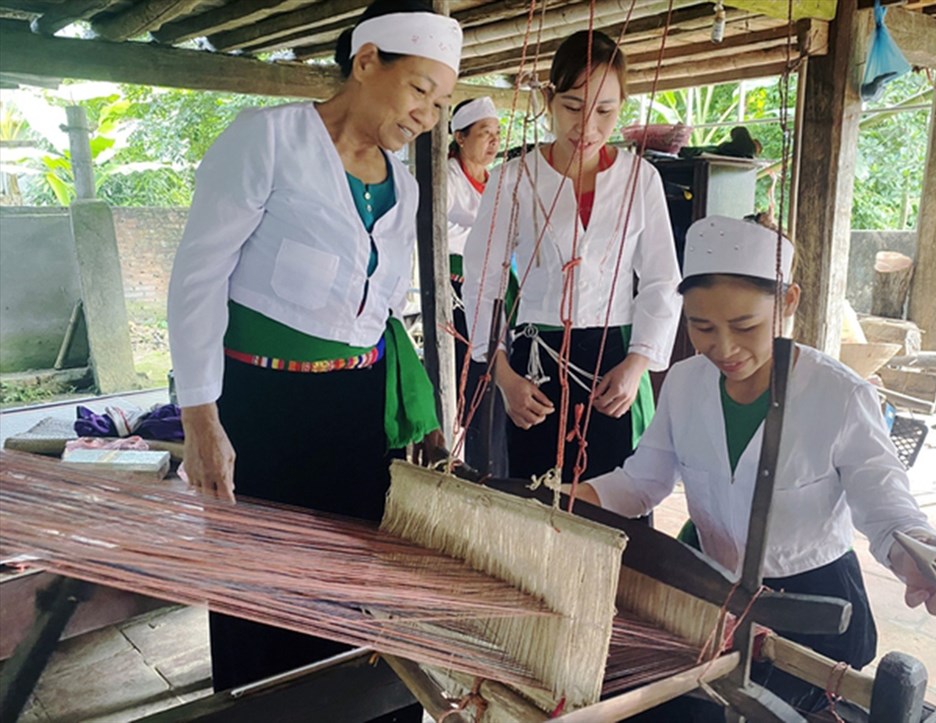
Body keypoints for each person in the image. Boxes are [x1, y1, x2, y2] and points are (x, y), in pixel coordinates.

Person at [575, 215, 936, 716]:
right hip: (716, 597)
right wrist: (561, 502)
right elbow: (641, 482)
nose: (722, 348)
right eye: (701, 326)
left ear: (788, 303)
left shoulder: (839, 395)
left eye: (745, 326)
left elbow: (888, 510)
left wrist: (919, 557)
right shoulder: (684, 385)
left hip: (815, 611)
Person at [166, 0, 460, 704]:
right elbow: (197, 280)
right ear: (366, 62)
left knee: (354, 584)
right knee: (262, 586)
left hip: (355, 408)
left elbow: (381, 310)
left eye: (441, 102)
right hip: (263, 407)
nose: (427, 114)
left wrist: (409, 414)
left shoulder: (407, 184)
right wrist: (201, 421)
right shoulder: (267, 141)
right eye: (420, 89)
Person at [463, 30, 682, 485]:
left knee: (611, 493)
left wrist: (637, 365)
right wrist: (502, 375)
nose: (589, 126)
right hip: (534, 357)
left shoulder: (640, 180)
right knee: (534, 490)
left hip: (614, 360)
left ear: (623, 104)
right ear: (549, 98)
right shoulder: (513, 179)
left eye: (605, 111)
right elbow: (483, 279)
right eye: (573, 107)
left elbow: (662, 280)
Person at [445, 96, 508, 476]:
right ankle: (469, 462)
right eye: (485, 133)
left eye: (497, 134)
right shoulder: (447, 178)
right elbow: (438, 226)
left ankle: (495, 466)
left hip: (496, 290)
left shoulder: (499, 181)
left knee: (499, 380)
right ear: (460, 136)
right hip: (457, 290)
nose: (494, 141)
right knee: (472, 381)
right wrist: (490, 237)